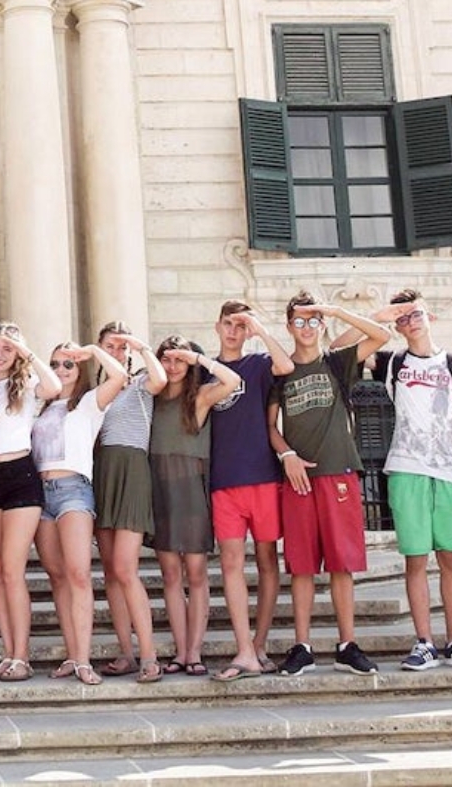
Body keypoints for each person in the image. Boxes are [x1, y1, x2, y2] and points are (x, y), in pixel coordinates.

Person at [269, 291, 395, 676]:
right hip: (300, 478)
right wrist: (286, 455)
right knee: (302, 566)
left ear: (322, 325)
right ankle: (302, 646)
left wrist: (336, 311)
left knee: (342, 564)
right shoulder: (281, 369)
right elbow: (270, 425)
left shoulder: (337, 362)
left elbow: (380, 338)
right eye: (300, 321)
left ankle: (347, 644)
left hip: (338, 472)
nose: (307, 328)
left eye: (313, 321)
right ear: (289, 326)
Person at [370, 290, 452, 671]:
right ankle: (423, 642)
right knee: (415, 560)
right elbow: (350, 342)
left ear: (430, 315)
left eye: (415, 313)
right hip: (406, 469)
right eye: (403, 318)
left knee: (450, 560)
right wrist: (381, 315)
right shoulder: (391, 362)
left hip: (449, 471)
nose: (410, 321)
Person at [0, 322, 60, 682]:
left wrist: (28, 351)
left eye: (7, 348)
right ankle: (8, 653)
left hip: (21, 474)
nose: (1, 354)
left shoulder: (29, 384)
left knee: (13, 570)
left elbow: (54, 387)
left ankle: (23, 656)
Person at [206, 300, 295, 682]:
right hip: (223, 481)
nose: (234, 331)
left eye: (240, 326)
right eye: (229, 324)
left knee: (267, 562)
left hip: (262, 476)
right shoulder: (205, 373)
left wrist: (259, 329)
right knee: (230, 565)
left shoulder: (258, 365)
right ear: (217, 326)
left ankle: (258, 644)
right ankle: (243, 649)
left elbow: (286, 366)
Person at [31, 336, 128, 685]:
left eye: (68, 363)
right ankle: (73, 655)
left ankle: (85, 659)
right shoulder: (39, 404)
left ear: (80, 369)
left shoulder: (88, 402)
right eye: (56, 363)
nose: (61, 369)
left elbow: (118, 377)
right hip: (40, 494)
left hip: (73, 490)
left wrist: (93, 352)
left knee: (78, 574)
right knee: (57, 576)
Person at [149, 335, 243, 676]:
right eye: (167, 360)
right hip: (159, 484)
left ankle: (194, 652)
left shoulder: (201, 397)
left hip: (190, 485)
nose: (172, 367)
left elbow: (233, 381)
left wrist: (198, 358)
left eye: (179, 360)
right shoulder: (152, 397)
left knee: (197, 573)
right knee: (170, 574)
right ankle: (179, 651)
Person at [89, 323, 169, 681]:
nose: (117, 352)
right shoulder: (96, 391)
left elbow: (161, 379)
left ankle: (149, 655)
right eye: (110, 346)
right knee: (109, 570)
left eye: (122, 347)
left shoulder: (140, 385)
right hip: (102, 471)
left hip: (132, 470)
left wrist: (141, 346)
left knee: (125, 567)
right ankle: (126, 653)